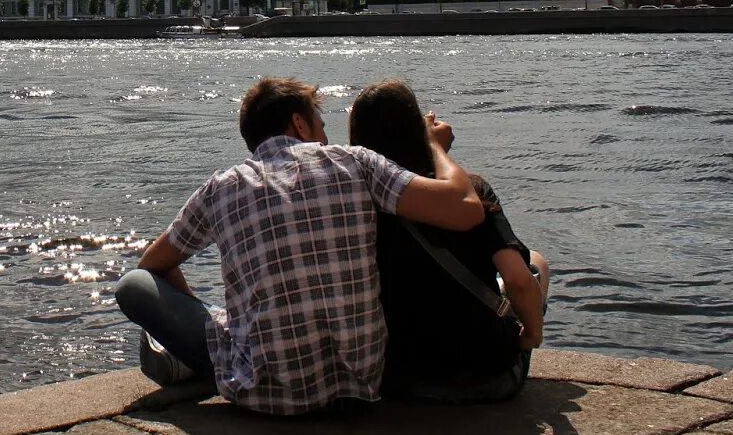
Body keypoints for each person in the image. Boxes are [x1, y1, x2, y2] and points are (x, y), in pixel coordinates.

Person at [115, 77, 484, 416]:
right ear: (299, 124)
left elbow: (153, 265)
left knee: (133, 286)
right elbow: (465, 210)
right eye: (321, 127)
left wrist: (204, 318)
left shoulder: (220, 188)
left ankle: (199, 362)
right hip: (360, 387)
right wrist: (434, 147)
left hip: (265, 396)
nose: (325, 139)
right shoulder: (355, 162)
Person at [347, 79, 549, 402]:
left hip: (398, 377)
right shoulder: (472, 191)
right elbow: (518, 281)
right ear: (417, 133)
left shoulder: (359, 205)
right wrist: (530, 337)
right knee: (536, 262)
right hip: (485, 377)